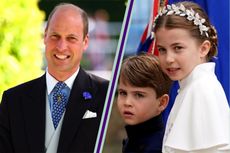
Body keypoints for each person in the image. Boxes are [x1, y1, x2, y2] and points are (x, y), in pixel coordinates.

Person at [0, 3, 109, 153]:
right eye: (55, 36)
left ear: (85, 42)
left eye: (71, 38)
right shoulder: (13, 100)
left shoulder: (106, 95)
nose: (61, 46)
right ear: (45, 37)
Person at [153, 1, 230, 152]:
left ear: (203, 49)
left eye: (178, 48)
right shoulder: (190, 88)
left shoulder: (201, 90)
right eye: (162, 49)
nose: (168, 58)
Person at [117, 54, 172, 153]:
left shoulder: (158, 148)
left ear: (161, 103)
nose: (127, 102)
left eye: (139, 95)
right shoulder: (133, 139)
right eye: (123, 93)